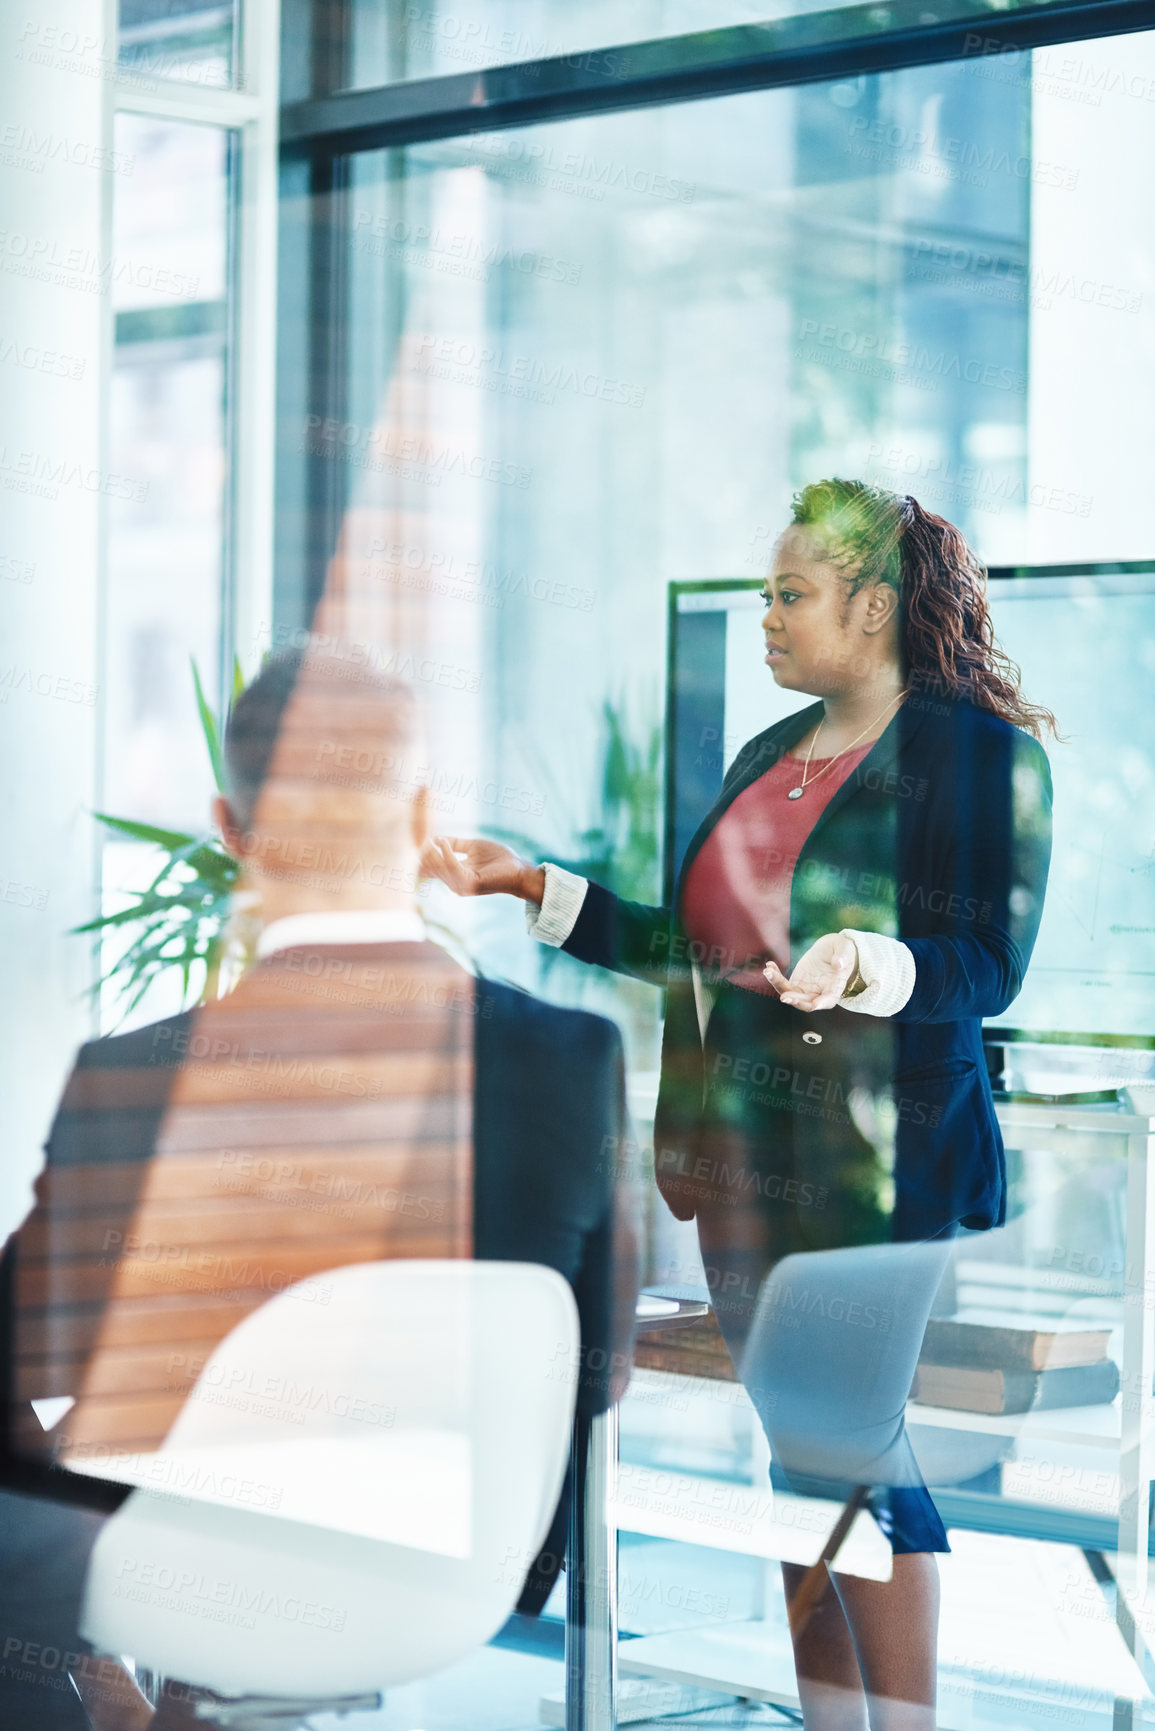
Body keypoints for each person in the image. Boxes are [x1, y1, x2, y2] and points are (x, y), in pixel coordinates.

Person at [422, 479, 1055, 1731]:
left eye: (791, 594)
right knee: (801, 1450)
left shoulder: (983, 759)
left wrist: (868, 962)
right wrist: (541, 888)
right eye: (766, 591)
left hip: (886, 1160)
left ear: (872, 609)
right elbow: (696, 949)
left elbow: (989, 962)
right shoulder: (765, 758)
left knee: (848, 1433)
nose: (764, 615)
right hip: (738, 1163)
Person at [2, 644, 639, 1730]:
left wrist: (94, 1649)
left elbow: (18, 1362)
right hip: (457, 1574)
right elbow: (599, 1367)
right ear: (421, 817)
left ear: (228, 827)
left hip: (184, 1571)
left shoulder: (132, 1079)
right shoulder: (571, 1060)